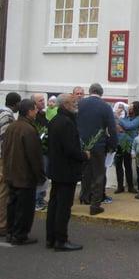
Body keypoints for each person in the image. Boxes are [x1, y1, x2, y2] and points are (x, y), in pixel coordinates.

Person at [46, 94, 88, 251]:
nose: (75, 104)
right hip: (66, 171)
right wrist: (84, 155)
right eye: (72, 102)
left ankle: (51, 238)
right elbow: (70, 149)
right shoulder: (66, 123)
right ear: (65, 105)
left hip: (56, 170)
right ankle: (61, 240)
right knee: (63, 207)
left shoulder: (55, 120)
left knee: (54, 204)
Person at [2, 99, 45, 245]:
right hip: (24, 175)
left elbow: (5, 150)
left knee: (12, 206)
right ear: (29, 111)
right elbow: (34, 156)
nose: (36, 111)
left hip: (11, 173)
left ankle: (11, 232)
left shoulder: (12, 127)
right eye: (34, 109)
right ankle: (20, 235)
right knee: (23, 209)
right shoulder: (28, 130)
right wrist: (40, 175)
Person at [78, 83, 118, 215]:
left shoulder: (80, 103)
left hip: (81, 144)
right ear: (101, 93)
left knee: (85, 172)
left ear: (90, 91)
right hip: (98, 145)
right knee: (98, 174)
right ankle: (95, 204)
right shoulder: (105, 106)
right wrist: (113, 144)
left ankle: (84, 197)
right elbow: (112, 127)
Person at [0, 92, 21, 238]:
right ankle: (2, 225)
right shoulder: (7, 116)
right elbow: (5, 140)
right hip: (2, 158)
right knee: (3, 192)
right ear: (16, 103)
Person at [115, 101, 139, 194]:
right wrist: (121, 125)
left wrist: (120, 120)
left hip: (128, 143)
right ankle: (120, 186)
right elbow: (117, 126)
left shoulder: (138, 118)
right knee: (118, 165)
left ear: (136, 108)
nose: (129, 109)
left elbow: (128, 126)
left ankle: (130, 186)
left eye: (131, 107)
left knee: (127, 165)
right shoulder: (126, 117)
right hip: (119, 142)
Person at [31, 93, 48, 211]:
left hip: (45, 150)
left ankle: (41, 197)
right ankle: (36, 200)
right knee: (39, 175)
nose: (43, 102)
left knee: (44, 175)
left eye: (43, 100)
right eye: (40, 101)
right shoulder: (32, 117)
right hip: (37, 151)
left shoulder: (43, 114)